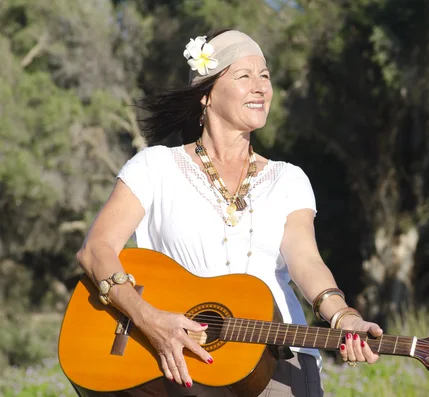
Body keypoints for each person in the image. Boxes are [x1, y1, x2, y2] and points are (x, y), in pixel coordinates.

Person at [76, 29, 383, 397]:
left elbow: (305, 260)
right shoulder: (154, 168)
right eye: (244, 75)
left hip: (278, 362)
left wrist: (342, 315)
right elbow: (96, 251)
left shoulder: (289, 178)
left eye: (265, 76)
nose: (261, 87)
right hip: (181, 367)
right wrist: (148, 319)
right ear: (206, 94)